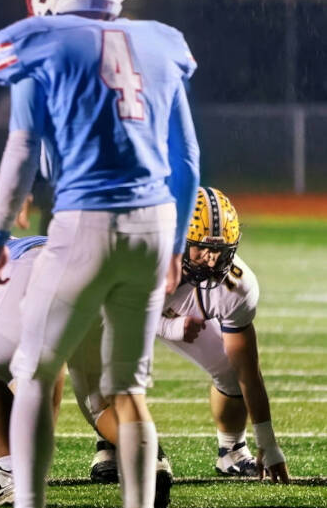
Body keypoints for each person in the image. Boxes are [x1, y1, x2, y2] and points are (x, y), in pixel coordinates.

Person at [0, 0, 200, 508]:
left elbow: (21, 148)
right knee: (127, 388)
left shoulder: (38, 40)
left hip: (85, 220)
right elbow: (186, 160)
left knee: (35, 371)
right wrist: (177, 243)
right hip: (154, 223)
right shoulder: (160, 41)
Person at [95, 186, 287, 483]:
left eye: (220, 251)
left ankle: (232, 451)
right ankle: (109, 443)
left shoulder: (237, 286)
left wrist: (269, 442)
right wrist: (172, 327)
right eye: (202, 248)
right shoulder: (140, 254)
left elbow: (248, 371)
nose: (212, 260)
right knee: (111, 370)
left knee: (230, 368)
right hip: (117, 313)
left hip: (165, 312)